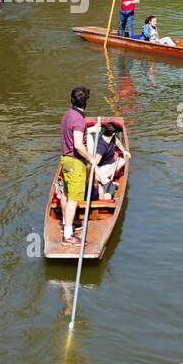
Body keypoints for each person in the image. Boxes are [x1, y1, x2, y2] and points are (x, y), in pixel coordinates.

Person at [58, 86, 98, 246]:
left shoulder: (68, 114)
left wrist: (89, 129)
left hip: (65, 160)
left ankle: (65, 223)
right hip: (75, 163)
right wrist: (91, 159)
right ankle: (68, 236)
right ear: (86, 102)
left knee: (66, 195)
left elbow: (72, 133)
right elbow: (78, 145)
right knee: (74, 199)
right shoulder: (79, 120)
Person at [90, 120, 129, 199]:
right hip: (101, 169)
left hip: (110, 166)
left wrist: (123, 151)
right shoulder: (101, 147)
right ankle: (103, 180)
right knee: (122, 161)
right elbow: (94, 163)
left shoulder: (112, 137)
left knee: (121, 161)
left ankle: (105, 178)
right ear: (113, 133)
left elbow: (117, 142)